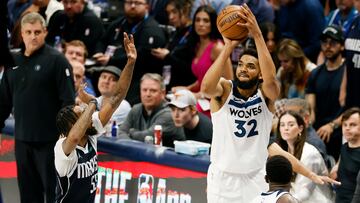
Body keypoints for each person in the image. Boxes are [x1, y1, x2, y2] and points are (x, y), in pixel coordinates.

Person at [201, 4, 339, 202]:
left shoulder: (266, 97)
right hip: (223, 179)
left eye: (250, 66)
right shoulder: (224, 90)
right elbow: (206, 88)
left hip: (255, 178)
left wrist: (257, 35)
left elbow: (273, 149)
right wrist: (229, 47)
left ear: (259, 74)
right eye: (240, 64)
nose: (243, 69)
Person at [0, 12, 75, 203]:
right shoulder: (12, 62)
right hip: (23, 140)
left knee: (53, 194)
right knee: (27, 194)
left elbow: (68, 102)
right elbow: (4, 103)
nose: (33, 36)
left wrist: (63, 138)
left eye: (37, 32)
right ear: (21, 34)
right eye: (28, 32)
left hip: (50, 142)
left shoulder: (57, 61)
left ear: (45, 32)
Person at [54, 32, 136, 202]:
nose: (87, 116)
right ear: (71, 125)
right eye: (81, 115)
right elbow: (75, 136)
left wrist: (130, 63)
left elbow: (115, 98)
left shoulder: (91, 133)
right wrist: (91, 104)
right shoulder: (62, 148)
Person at [94, 0, 167, 105]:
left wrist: (111, 60)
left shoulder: (152, 30)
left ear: (147, 6)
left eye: (137, 3)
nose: (132, 6)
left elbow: (141, 58)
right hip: (113, 67)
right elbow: (102, 40)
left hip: (137, 74)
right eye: (129, 2)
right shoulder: (120, 22)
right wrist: (99, 52)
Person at [173, 5, 233, 117]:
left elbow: (229, 82)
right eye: (198, 20)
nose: (201, 24)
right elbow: (202, 79)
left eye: (206, 21)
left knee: (182, 113)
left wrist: (195, 95)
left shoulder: (218, 48)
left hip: (215, 102)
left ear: (212, 24)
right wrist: (187, 89)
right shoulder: (197, 45)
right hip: (201, 98)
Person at [306, 25, 345, 160]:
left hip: (341, 129)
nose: (328, 46)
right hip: (318, 131)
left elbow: (353, 107)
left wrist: (332, 125)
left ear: (342, 46)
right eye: (324, 42)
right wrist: (310, 121)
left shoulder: (348, 73)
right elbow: (310, 106)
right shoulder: (315, 73)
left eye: (333, 42)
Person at [276, 111, 334, 202]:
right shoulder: (281, 150)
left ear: (300, 128)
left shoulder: (310, 153)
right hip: (292, 197)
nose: (286, 128)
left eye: (291, 125)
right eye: (282, 125)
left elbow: (305, 191)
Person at [118, 73, 185, 147]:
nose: (148, 94)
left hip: (170, 157)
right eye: (144, 90)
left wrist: (131, 132)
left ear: (163, 93)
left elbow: (147, 138)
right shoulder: (136, 109)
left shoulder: (169, 113)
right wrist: (130, 147)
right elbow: (121, 132)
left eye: (153, 91)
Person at [151, 0, 197, 90]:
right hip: (169, 84)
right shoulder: (176, 31)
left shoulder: (194, 34)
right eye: (168, 13)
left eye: (174, 12)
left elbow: (191, 68)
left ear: (185, 10)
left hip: (185, 87)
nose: (170, 17)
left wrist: (168, 56)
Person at [79, 65, 132, 133]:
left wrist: (91, 104)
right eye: (104, 77)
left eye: (112, 79)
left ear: (119, 85)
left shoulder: (123, 106)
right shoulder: (96, 100)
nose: (106, 81)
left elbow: (99, 124)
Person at [330, 107, 360, 203]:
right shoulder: (344, 146)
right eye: (344, 125)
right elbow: (338, 167)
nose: (347, 128)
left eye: (353, 125)